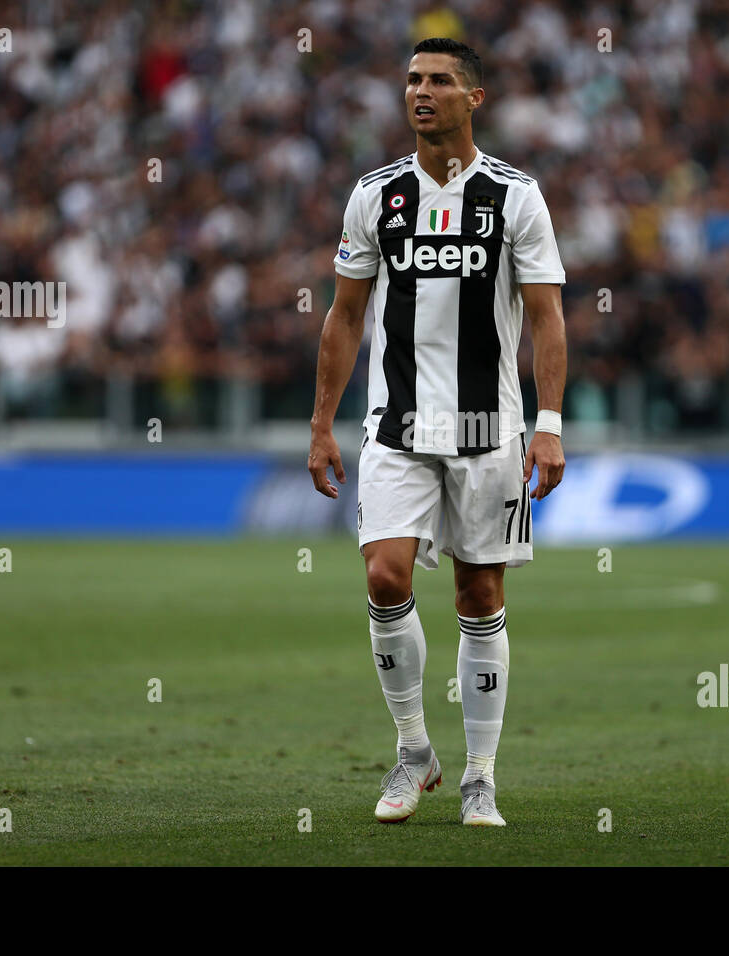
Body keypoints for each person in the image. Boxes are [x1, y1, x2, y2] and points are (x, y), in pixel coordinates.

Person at [308, 38, 568, 827]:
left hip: (491, 430)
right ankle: (415, 750)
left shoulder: (515, 196)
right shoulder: (376, 195)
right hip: (396, 425)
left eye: (440, 81)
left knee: (478, 593)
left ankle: (480, 775)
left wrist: (549, 424)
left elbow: (548, 316)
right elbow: (345, 315)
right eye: (414, 80)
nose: (422, 92)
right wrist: (321, 421)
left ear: (474, 98)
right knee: (385, 577)